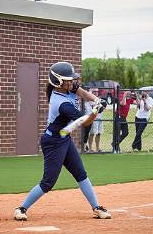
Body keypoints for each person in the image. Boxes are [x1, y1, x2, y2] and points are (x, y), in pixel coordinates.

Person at [14, 62, 111, 221]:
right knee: (48, 182)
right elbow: (85, 122)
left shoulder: (67, 86)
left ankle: (96, 207)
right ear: (59, 82)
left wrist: (96, 100)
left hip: (63, 138)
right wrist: (96, 111)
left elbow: (83, 93)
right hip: (52, 142)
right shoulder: (62, 103)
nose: (72, 82)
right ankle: (21, 208)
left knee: (80, 173)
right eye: (68, 80)